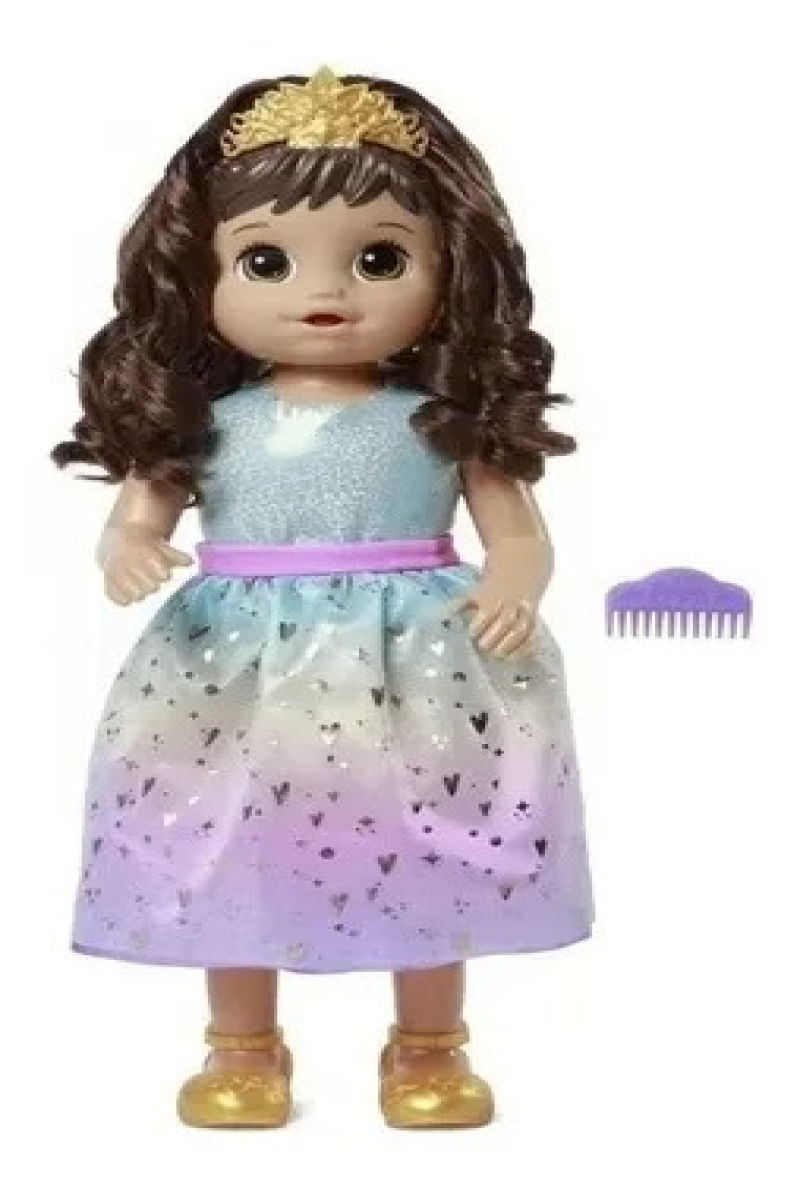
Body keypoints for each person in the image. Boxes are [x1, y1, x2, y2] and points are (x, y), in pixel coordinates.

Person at [51, 66, 594, 1129]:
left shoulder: (438, 419)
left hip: (419, 665)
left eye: (379, 259)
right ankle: (242, 1047)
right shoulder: (207, 422)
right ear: (199, 274)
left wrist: (513, 583)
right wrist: (128, 547)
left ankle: (428, 1045)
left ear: (450, 269)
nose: (326, 291)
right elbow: (137, 514)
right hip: (234, 670)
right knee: (234, 841)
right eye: (265, 260)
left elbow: (520, 534)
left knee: (429, 842)